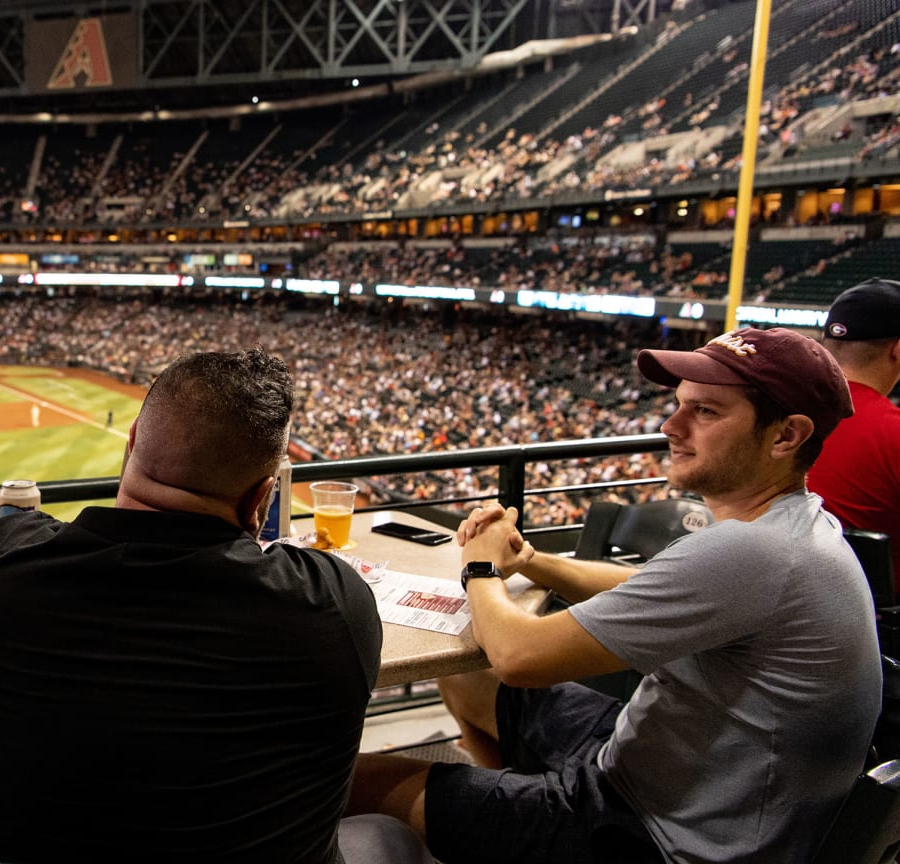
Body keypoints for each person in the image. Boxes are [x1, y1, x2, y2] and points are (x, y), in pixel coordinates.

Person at [350, 327, 880, 863]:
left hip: (655, 836)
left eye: (705, 412)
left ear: (786, 436)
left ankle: (511, 821)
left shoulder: (755, 551)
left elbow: (518, 657)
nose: (669, 426)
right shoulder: (791, 528)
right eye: (678, 407)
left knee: (354, 779)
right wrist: (530, 560)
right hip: (645, 765)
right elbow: (641, 585)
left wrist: (481, 564)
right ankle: (497, 819)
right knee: (466, 674)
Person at [0, 349, 430, 864]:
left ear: (130, 442)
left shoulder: (0, 563)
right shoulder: (333, 604)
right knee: (388, 835)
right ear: (260, 498)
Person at [807, 277, 900, 590]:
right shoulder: (892, 431)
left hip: (773, 606)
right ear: (897, 350)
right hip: (873, 623)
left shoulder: (778, 411)